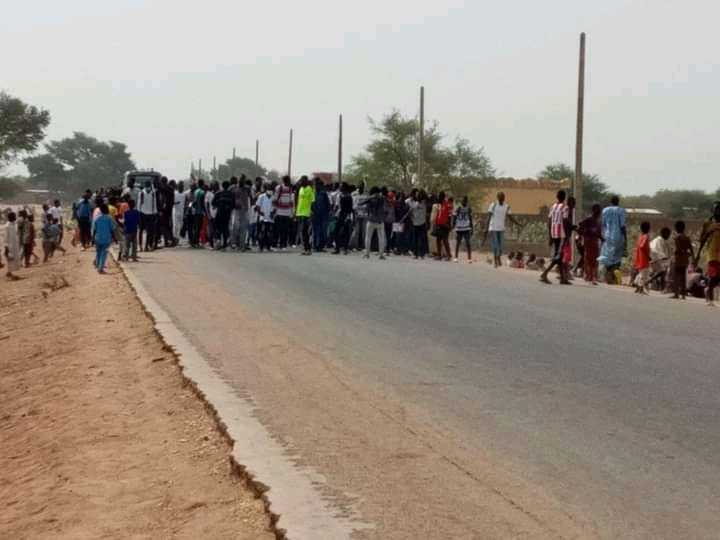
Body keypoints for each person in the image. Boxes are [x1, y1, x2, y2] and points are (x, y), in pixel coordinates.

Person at [540, 190, 571, 285]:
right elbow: (565, 221)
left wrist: (550, 235)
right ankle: (545, 273)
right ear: (564, 197)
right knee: (559, 255)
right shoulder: (565, 207)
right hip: (561, 233)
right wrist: (567, 234)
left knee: (559, 255)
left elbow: (549, 221)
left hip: (554, 232)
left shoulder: (553, 207)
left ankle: (563, 278)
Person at [484, 192, 518, 268]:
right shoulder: (493, 205)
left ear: (504, 198)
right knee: (496, 246)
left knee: (501, 246)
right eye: (500, 197)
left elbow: (510, 217)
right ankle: (496, 261)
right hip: (493, 228)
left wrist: (517, 223)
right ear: (497, 197)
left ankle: (498, 258)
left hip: (501, 229)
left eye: (502, 197)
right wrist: (486, 228)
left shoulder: (507, 206)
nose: (501, 198)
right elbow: (489, 217)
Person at [695, 201, 720, 305]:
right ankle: (710, 299)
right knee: (713, 276)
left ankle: (707, 290)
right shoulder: (708, 223)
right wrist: (697, 255)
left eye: (718, 209)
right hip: (711, 253)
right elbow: (702, 240)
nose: (717, 211)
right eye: (715, 209)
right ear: (712, 210)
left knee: (718, 277)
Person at [599, 195, 627, 283]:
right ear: (618, 202)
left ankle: (608, 274)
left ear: (610, 202)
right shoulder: (621, 210)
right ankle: (613, 276)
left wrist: (602, 236)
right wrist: (626, 238)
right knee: (617, 257)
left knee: (608, 256)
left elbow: (603, 224)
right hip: (618, 237)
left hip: (607, 236)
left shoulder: (605, 210)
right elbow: (622, 226)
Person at [577, 203, 602, 285]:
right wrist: (581, 236)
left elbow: (598, 232)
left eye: (599, 210)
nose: (599, 212)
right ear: (593, 211)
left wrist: (602, 238)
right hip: (588, 241)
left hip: (595, 241)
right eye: (597, 210)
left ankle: (593, 276)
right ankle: (588, 276)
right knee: (588, 258)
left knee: (595, 259)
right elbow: (580, 225)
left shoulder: (597, 220)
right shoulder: (589, 219)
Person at [360, 186, 386, 260]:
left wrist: (370, 197)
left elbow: (361, 203)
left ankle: (367, 253)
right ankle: (381, 254)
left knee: (368, 237)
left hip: (371, 219)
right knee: (381, 238)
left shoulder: (370, 199)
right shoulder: (382, 198)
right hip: (380, 220)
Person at [672, 221, 693, 300]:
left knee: (676, 276)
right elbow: (691, 249)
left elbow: (678, 249)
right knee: (683, 277)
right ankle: (683, 294)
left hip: (678, 259)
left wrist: (676, 252)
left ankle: (676, 294)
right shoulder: (687, 238)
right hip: (685, 259)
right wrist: (691, 256)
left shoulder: (677, 237)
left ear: (676, 228)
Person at [92, 204, 115, 274]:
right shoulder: (109, 218)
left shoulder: (96, 218)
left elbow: (94, 229)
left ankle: (98, 266)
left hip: (98, 237)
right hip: (106, 238)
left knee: (98, 252)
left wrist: (92, 238)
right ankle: (100, 268)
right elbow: (112, 229)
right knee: (104, 253)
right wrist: (114, 238)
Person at [273, 176, 295, 250]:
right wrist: (274, 210)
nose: (289, 182)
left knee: (285, 230)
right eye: (288, 180)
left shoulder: (290, 189)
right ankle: (276, 244)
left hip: (287, 212)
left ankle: (283, 244)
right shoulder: (279, 188)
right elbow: (275, 199)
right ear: (285, 181)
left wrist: (292, 212)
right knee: (278, 229)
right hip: (279, 212)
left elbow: (291, 202)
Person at [333, 183, 354, 255]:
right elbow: (338, 207)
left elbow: (350, 208)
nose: (340, 188)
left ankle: (345, 248)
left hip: (346, 215)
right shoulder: (340, 196)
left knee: (345, 232)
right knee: (336, 231)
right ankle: (337, 248)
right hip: (340, 215)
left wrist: (348, 217)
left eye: (341, 187)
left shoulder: (349, 197)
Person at [212, 181, 234, 250]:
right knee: (225, 228)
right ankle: (224, 244)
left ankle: (218, 242)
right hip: (227, 214)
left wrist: (218, 205)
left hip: (219, 213)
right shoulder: (231, 194)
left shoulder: (218, 193)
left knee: (218, 228)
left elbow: (213, 203)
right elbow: (233, 204)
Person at [296, 176, 315, 255]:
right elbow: (299, 201)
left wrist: (311, 212)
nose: (301, 182)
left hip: (306, 213)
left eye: (303, 181)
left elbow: (313, 201)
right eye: (301, 181)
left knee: (305, 231)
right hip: (300, 212)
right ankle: (306, 248)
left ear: (306, 181)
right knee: (302, 231)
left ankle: (308, 248)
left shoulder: (309, 189)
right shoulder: (301, 189)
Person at [138, 180, 158, 251]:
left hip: (151, 213)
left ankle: (146, 246)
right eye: (147, 186)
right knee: (141, 230)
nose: (148, 188)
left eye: (148, 186)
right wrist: (139, 213)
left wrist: (155, 212)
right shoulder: (141, 193)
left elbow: (154, 203)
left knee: (150, 231)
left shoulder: (153, 193)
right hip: (142, 213)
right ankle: (140, 246)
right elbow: (139, 204)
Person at [407, 191, 428, 259]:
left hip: (416, 223)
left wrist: (411, 198)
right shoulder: (425, 203)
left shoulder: (415, 204)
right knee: (421, 239)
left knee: (416, 239)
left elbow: (406, 201)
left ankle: (416, 254)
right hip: (422, 222)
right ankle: (421, 254)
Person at [432, 191, 453, 261]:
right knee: (438, 240)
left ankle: (449, 255)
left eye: (440, 196)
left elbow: (450, 216)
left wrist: (449, 225)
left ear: (443, 197)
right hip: (439, 224)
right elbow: (438, 215)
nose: (439, 198)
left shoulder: (447, 205)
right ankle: (439, 255)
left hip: (445, 225)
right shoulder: (439, 205)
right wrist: (436, 223)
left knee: (445, 240)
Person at [255, 184, 275, 252]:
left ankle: (268, 246)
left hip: (270, 218)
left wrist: (273, 213)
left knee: (269, 233)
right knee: (262, 232)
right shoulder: (261, 197)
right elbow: (257, 206)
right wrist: (260, 213)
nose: (270, 190)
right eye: (269, 189)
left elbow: (275, 207)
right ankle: (261, 247)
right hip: (262, 218)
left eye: (271, 189)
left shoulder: (273, 197)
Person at [312, 179, 331, 251]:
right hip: (315, 215)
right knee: (315, 231)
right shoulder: (313, 193)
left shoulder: (323, 194)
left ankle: (321, 246)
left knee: (323, 232)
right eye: (316, 185)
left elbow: (328, 204)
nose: (317, 186)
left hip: (323, 215)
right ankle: (315, 246)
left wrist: (328, 213)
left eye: (318, 185)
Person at [453, 196, 473, 262]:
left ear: (466, 202)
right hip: (459, 228)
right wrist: (454, 225)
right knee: (458, 243)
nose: (463, 202)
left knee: (468, 243)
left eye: (464, 201)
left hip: (466, 228)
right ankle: (456, 257)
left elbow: (470, 218)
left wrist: (472, 228)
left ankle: (469, 258)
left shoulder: (469, 209)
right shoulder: (458, 208)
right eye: (462, 201)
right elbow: (455, 216)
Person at [633, 222, 651, 294]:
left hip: (639, 258)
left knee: (641, 273)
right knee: (643, 274)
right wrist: (648, 256)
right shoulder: (646, 236)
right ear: (648, 229)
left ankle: (637, 286)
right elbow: (642, 246)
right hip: (644, 258)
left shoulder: (641, 236)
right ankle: (641, 288)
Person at [351, 183, 368, 250]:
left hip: (364, 214)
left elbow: (367, 205)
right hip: (356, 214)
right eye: (360, 186)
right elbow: (352, 204)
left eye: (362, 187)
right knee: (356, 231)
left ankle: (364, 245)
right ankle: (354, 245)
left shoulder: (366, 194)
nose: (361, 188)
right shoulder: (353, 194)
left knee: (364, 231)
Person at [4, 211, 21, 280]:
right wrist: (6, 248)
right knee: (10, 259)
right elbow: (6, 238)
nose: (15, 218)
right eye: (14, 216)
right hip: (10, 246)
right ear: (10, 217)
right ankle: (9, 274)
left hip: (15, 245)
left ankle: (9, 272)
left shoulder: (14, 224)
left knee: (13, 259)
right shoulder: (7, 226)